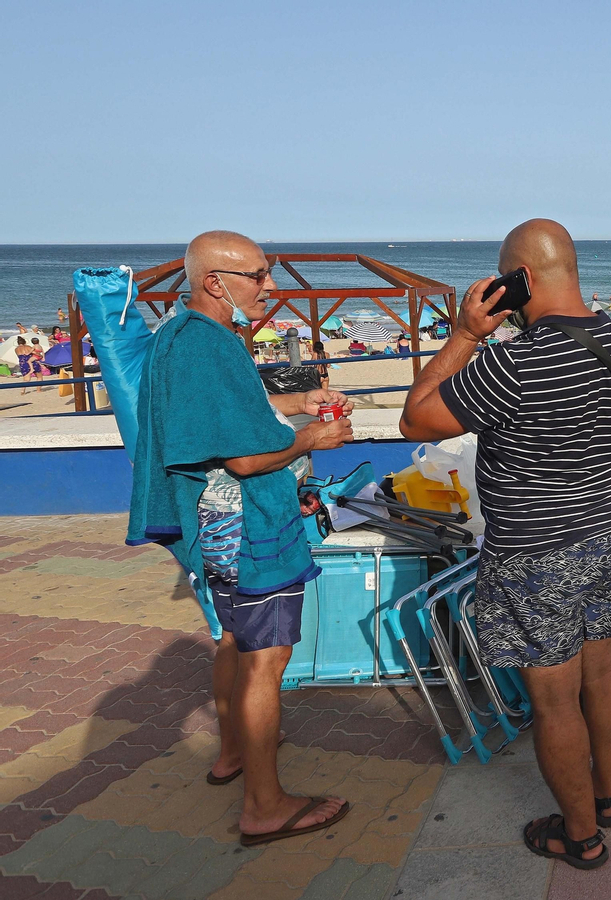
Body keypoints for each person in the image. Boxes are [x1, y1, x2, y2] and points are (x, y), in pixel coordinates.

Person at [400, 219, 611, 871]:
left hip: (532, 556)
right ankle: (607, 799)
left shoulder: (509, 362)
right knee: (601, 667)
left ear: (518, 281)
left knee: (554, 697)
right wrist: (605, 507)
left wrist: (465, 333)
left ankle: (581, 836)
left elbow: (416, 417)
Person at [126, 231, 355, 847]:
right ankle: (265, 804)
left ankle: (232, 753)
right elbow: (249, 457)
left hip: (217, 533)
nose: (270, 287)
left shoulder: (181, 334)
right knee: (266, 660)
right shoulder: (210, 344)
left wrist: (296, 399)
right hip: (250, 531)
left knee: (235, 636)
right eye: (256, 276)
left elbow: (227, 411)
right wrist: (312, 438)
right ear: (214, 282)